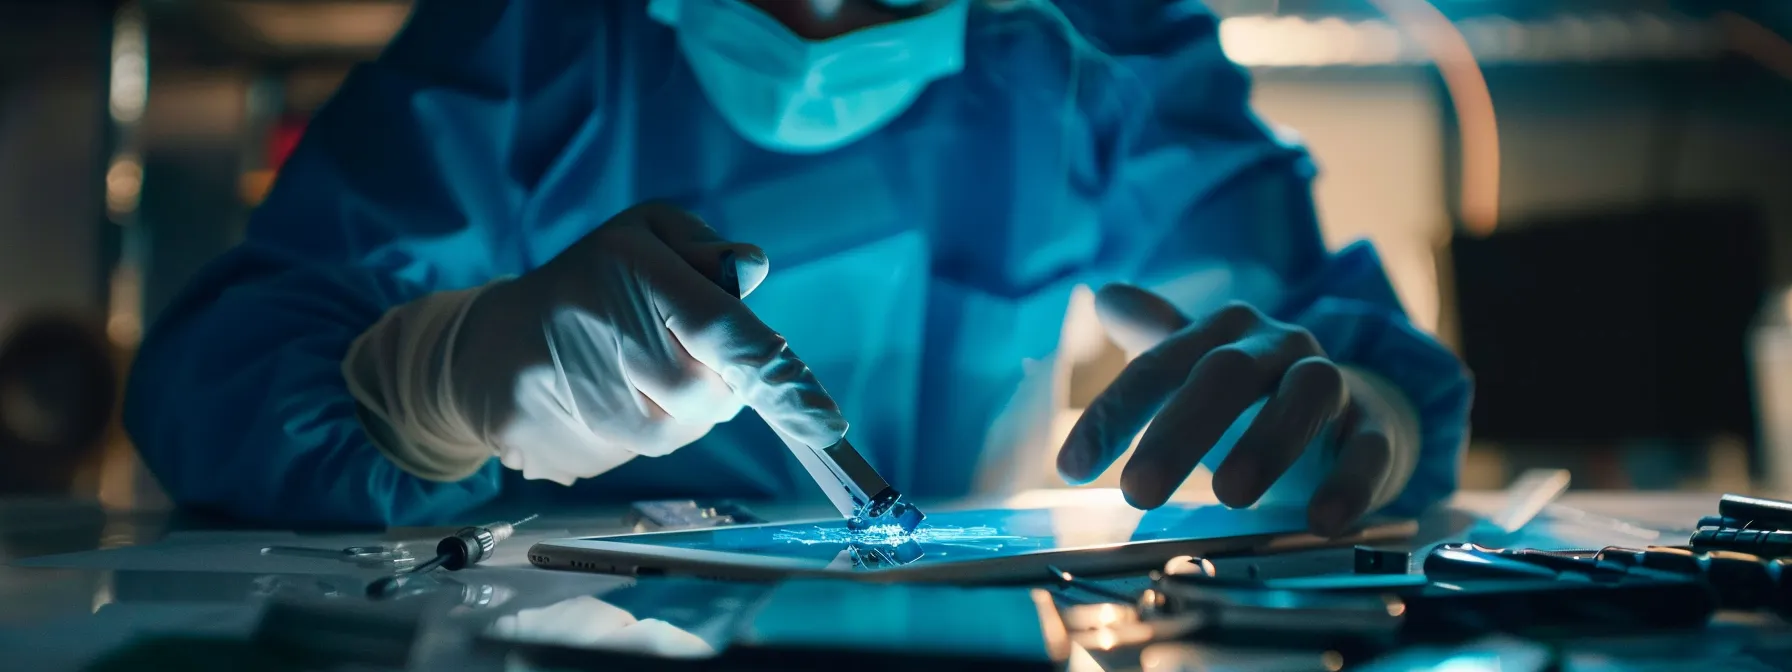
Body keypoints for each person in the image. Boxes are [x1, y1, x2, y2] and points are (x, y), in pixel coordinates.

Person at [123, 0, 1472, 533]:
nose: (825, 14)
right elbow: (211, 377)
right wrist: (439, 381)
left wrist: (1363, 414)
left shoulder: (1095, 42)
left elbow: (1310, 332)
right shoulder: (530, 37)